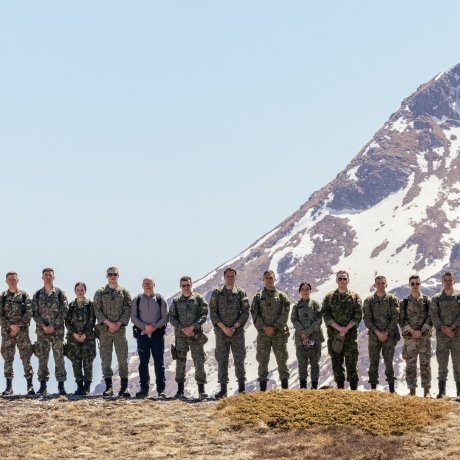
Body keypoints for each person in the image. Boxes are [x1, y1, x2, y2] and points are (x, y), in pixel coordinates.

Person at [209, 267, 250, 398]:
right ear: (224, 277)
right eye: (228, 276)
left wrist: (234, 327)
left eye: (232, 276)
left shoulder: (241, 293)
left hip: (237, 333)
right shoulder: (217, 293)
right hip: (221, 333)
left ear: (235, 277)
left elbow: (245, 313)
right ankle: (223, 390)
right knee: (222, 360)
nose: (230, 278)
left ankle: (242, 389)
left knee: (239, 359)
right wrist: (224, 328)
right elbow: (213, 313)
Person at [93, 267, 132, 397]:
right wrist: (109, 324)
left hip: (120, 331)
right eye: (110, 274)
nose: (112, 276)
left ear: (118, 275)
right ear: (106, 276)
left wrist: (118, 324)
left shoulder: (124, 292)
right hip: (105, 331)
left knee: (122, 359)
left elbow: (128, 309)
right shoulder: (100, 292)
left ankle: (124, 388)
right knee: (106, 359)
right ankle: (109, 387)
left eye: (114, 274)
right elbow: (97, 310)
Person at [169, 276, 208, 399]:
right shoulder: (176, 301)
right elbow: (172, 318)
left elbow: (204, 315)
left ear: (191, 285)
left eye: (188, 285)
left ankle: (201, 390)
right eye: (183, 285)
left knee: (199, 361)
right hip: (181, 336)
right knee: (180, 363)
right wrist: (182, 328)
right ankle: (180, 391)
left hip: (195, 335)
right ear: (180, 286)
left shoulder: (198, 299)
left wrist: (192, 328)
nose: (186, 287)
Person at [250, 270, 290, 391]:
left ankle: (285, 388)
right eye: (266, 278)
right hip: (263, 334)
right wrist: (264, 327)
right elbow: (254, 314)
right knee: (262, 360)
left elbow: (285, 313)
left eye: (271, 277)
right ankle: (263, 389)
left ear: (274, 279)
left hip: (278, 333)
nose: (269, 279)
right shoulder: (258, 296)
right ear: (263, 280)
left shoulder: (282, 296)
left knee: (282, 359)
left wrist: (275, 327)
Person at [322, 270, 362, 390]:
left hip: (350, 336)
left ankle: (353, 391)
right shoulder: (330, 297)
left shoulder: (354, 297)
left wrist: (347, 328)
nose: (342, 281)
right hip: (335, 336)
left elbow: (358, 315)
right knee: (337, 363)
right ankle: (340, 391)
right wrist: (339, 328)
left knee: (351, 363)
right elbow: (326, 314)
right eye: (340, 279)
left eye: (344, 279)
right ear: (336, 281)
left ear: (348, 281)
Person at [32, 267, 69, 396]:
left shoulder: (60, 293)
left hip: (57, 331)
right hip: (42, 332)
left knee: (59, 358)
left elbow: (64, 310)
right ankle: (43, 385)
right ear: (42, 277)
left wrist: (54, 326)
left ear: (54, 277)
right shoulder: (37, 294)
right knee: (43, 358)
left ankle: (61, 386)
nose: (48, 277)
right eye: (46, 275)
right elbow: (34, 313)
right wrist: (44, 326)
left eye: (50, 275)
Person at [131, 276, 168, 398]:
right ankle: (144, 390)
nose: (148, 285)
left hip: (157, 335)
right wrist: (145, 327)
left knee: (159, 363)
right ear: (142, 285)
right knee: (143, 363)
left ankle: (161, 390)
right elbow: (134, 317)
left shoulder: (160, 299)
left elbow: (165, 317)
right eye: (145, 283)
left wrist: (154, 327)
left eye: (150, 283)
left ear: (154, 285)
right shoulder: (136, 300)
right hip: (142, 335)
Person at [363, 275, 400, 393]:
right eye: (378, 283)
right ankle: (373, 389)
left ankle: (391, 389)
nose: (380, 285)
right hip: (374, 336)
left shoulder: (392, 299)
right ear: (374, 285)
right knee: (374, 361)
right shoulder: (368, 301)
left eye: (382, 283)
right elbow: (367, 319)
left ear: (386, 284)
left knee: (389, 362)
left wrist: (387, 332)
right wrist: (378, 333)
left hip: (389, 336)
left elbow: (395, 317)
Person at [0, 272, 34, 395]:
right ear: (6, 281)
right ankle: (9, 387)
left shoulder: (24, 296)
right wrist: (10, 326)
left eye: (14, 279)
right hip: (7, 333)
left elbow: (29, 312)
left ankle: (30, 386)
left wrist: (18, 326)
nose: (12, 281)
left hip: (22, 332)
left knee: (26, 358)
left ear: (18, 280)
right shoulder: (2, 296)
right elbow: (0, 315)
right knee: (8, 359)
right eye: (9, 279)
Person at [399, 275, 432, 397]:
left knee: (425, 364)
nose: (415, 286)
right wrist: (412, 331)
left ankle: (426, 391)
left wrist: (421, 331)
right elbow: (401, 320)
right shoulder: (404, 302)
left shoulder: (427, 301)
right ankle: (412, 391)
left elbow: (430, 318)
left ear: (420, 284)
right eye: (412, 284)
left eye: (417, 283)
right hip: (410, 339)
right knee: (410, 365)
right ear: (409, 285)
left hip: (423, 338)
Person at [430, 271, 460, 398]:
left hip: (457, 335)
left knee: (458, 364)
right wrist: (443, 328)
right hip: (442, 337)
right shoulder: (436, 298)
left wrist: (452, 327)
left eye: (450, 279)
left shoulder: (459, 296)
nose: (448, 282)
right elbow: (433, 315)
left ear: (454, 281)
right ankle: (442, 392)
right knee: (442, 364)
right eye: (445, 280)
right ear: (442, 282)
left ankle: (459, 393)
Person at [65, 282, 97, 396]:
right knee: (76, 362)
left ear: (85, 291)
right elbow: (67, 321)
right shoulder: (71, 306)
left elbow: (92, 320)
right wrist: (74, 333)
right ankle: (79, 386)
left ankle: (87, 387)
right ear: (75, 291)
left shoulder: (90, 305)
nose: (80, 292)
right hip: (73, 339)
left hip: (87, 338)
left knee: (88, 363)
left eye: (82, 290)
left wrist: (85, 334)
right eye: (78, 290)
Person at [291, 281, 324, 389]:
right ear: (299, 291)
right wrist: (302, 334)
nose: (305, 291)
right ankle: (303, 387)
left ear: (310, 291)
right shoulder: (296, 306)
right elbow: (294, 320)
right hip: (300, 339)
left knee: (315, 363)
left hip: (315, 338)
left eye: (307, 289)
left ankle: (314, 387)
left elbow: (318, 320)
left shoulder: (315, 305)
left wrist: (308, 332)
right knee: (302, 363)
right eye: (303, 289)